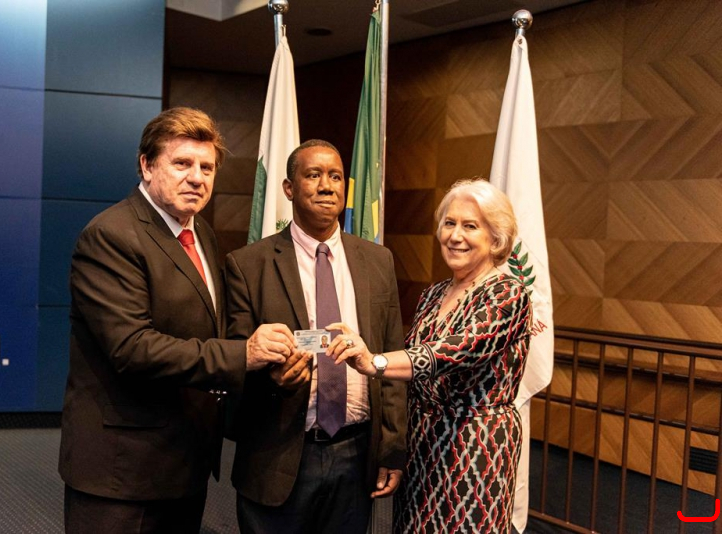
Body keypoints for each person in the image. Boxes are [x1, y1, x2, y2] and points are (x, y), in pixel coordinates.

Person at [58, 107, 294, 534]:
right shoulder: (111, 235)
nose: (197, 178)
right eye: (182, 163)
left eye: (207, 167)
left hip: (185, 462)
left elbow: (208, 329)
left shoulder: (201, 233)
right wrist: (244, 354)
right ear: (147, 165)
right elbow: (133, 349)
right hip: (121, 471)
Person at [328, 178, 532, 533]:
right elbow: (411, 367)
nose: (455, 236)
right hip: (422, 447)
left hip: (474, 449)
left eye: (470, 226)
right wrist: (393, 446)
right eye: (449, 223)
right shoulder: (434, 294)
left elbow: (453, 352)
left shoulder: (508, 294)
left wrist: (374, 362)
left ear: (495, 237)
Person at [225, 139, 407, 534]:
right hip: (279, 454)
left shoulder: (378, 261)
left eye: (336, 177)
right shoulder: (248, 265)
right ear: (289, 188)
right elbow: (234, 362)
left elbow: (391, 356)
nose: (327, 186)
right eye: (314, 175)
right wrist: (272, 379)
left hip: (355, 455)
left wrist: (392, 447)